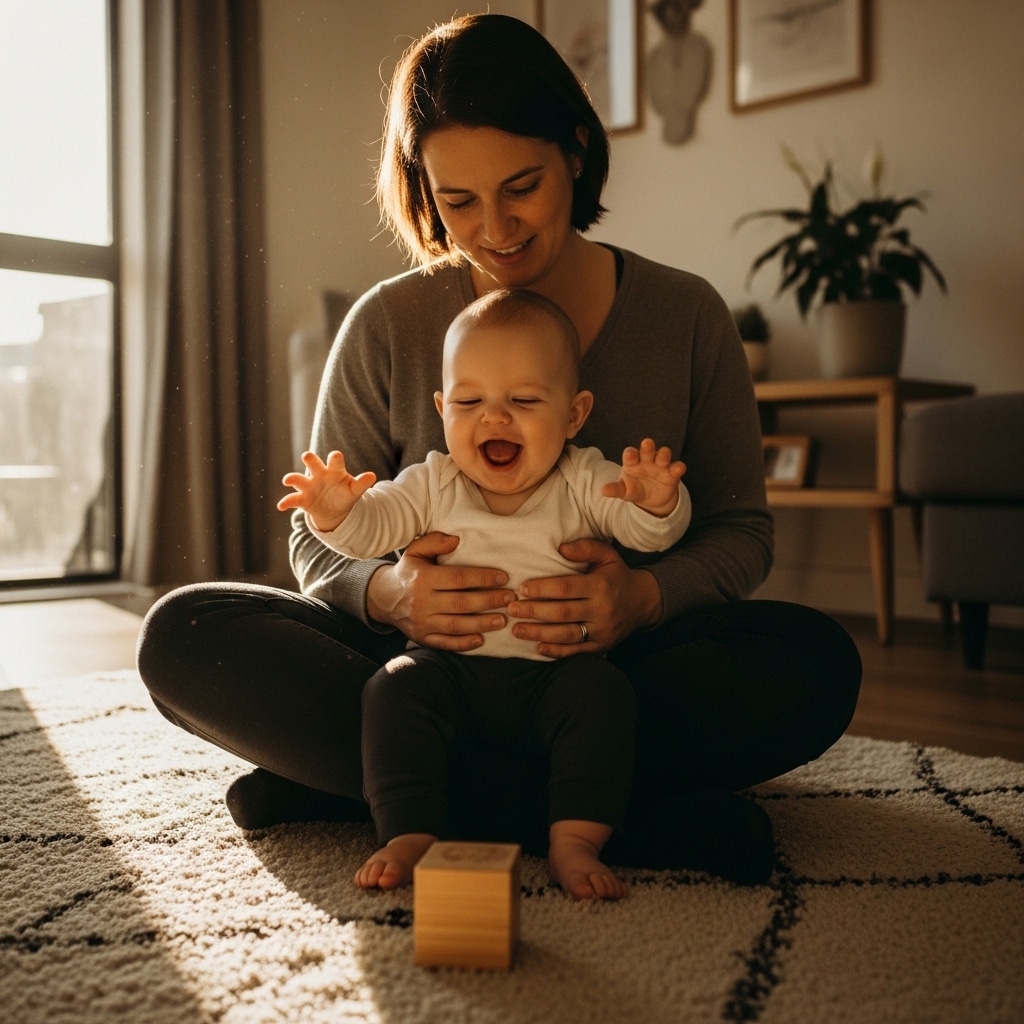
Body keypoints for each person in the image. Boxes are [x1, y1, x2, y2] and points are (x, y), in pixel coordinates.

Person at [136, 13, 862, 888]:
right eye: (458, 201)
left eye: (523, 186)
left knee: (817, 663)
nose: (496, 229)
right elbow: (312, 541)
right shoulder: (387, 325)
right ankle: (625, 818)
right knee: (184, 633)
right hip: (425, 674)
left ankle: (375, 795)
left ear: (579, 153)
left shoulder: (687, 316)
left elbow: (742, 531)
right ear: (424, 191)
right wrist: (394, 594)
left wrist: (643, 596)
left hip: (608, 678)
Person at [279, 288, 690, 898]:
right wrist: (336, 514)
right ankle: (409, 830)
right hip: (448, 672)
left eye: (523, 400)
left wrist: (657, 501)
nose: (494, 418)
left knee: (606, 695)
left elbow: (646, 534)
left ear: (573, 416)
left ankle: (574, 840)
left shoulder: (583, 477)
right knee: (392, 688)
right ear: (443, 410)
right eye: (469, 401)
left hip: (560, 674)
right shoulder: (430, 482)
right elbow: (372, 533)